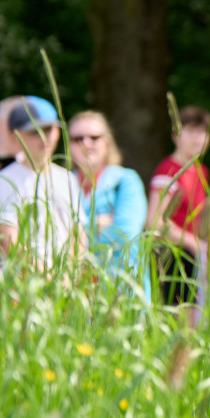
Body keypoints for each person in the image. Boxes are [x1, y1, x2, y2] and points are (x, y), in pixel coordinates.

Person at [0, 97, 86, 268]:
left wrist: (69, 270)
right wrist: (41, 274)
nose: (43, 137)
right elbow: (8, 240)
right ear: (14, 137)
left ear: (58, 131)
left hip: (65, 276)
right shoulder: (5, 180)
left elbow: (78, 234)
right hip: (22, 278)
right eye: (34, 131)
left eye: (48, 129)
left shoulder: (68, 178)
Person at [69, 110, 150, 297]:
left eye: (94, 137)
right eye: (78, 138)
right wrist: (96, 226)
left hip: (122, 291)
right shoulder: (61, 182)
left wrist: (76, 233)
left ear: (107, 142)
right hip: (77, 296)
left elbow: (126, 235)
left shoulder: (125, 181)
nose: (86, 143)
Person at [148, 105, 210, 305]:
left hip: (195, 256)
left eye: (203, 132)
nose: (197, 138)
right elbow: (154, 221)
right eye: (191, 131)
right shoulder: (168, 170)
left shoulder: (201, 170)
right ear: (175, 136)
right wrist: (194, 243)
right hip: (173, 255)